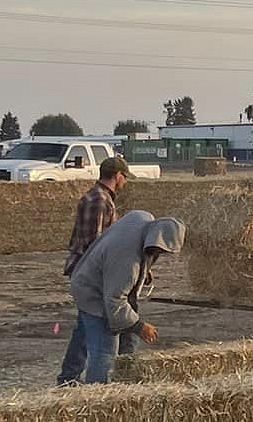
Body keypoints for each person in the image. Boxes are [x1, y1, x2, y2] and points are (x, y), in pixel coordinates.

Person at [66, 211, 186, 384]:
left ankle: (67, 380)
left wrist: (143, 273)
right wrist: (139, 326)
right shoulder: (128, 261)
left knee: (83, 336)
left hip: (87, 277)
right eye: (158, 250)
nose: (158, 254)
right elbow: (115, 300)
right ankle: (97, 395)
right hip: (93, 293)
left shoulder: (141, 218)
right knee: (105, 353)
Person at [57, 157, 137, 385]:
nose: (125, 183)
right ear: (117, 176)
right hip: (90, 273)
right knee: (101, 330)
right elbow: (97, 245)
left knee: (84, 327)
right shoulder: (100, 201)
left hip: (85, 270)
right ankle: (91, 383)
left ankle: (68, 378)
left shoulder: (96, 196)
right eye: (125, 178)